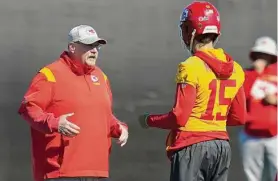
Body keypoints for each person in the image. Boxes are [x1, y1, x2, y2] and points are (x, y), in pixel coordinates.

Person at [138, 1, 246, 181]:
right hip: (222, 147)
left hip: (192, 146)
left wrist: (149, 120)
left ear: (190, 31)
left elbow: (179, 117)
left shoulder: (190, 66)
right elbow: (239, 117)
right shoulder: (236, 69)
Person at [18, 25, 129, 181]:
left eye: (96, 46)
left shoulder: (101, 77)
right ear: (72, 47)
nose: (94, 50)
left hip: (97, 171)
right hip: (60, 172)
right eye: (89, 45)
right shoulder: (50, 74)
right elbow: (28, 108)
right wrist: (55, 123)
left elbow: (103, 115)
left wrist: (119, 128)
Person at [240, 36, 277, 181]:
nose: (262, 58)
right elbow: (239, 99)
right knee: (252, 176)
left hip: (275, 135)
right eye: (259, 54)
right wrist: (256, 74)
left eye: (266, 55)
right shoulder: (246, 75)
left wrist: (275, 100)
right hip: (251, 135)